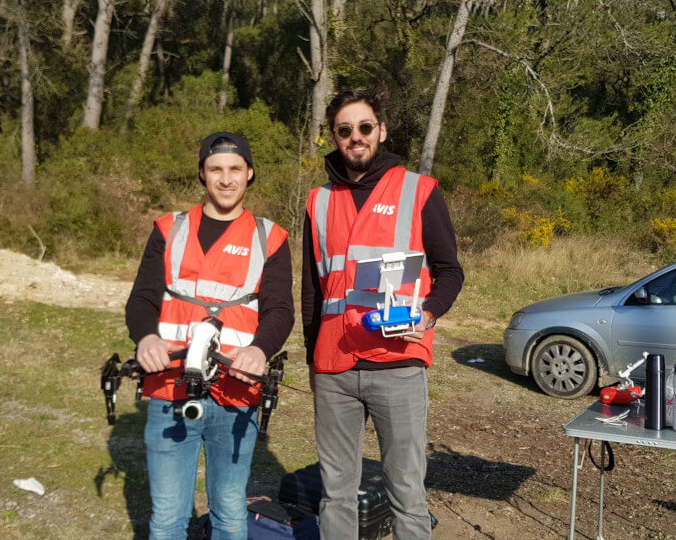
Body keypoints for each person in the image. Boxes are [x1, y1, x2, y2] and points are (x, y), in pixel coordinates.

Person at [302, 89, 464, 539]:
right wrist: (312, 358)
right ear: (334, 137)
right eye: (345, 130)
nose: (356, 137)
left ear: (382, 131)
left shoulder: (419, 191)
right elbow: (311, 291)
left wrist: (428, 316)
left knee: (406, 492)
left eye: (365, 127)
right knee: (335, 493)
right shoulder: (317, 202)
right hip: (333, 365)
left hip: (398, 361)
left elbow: (450, 272)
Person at [125, 132, 294, 540]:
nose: (225, 178)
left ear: (249, 174)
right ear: (202, 173)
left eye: (235, 169)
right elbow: (142, 298)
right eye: (215, 168)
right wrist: (146, 338)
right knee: (167, 519)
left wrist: (260, 349)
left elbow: (279, 310)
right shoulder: (170, 228)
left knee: (231, 514)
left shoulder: (269, 237)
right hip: (169, 387)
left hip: (237, 393)